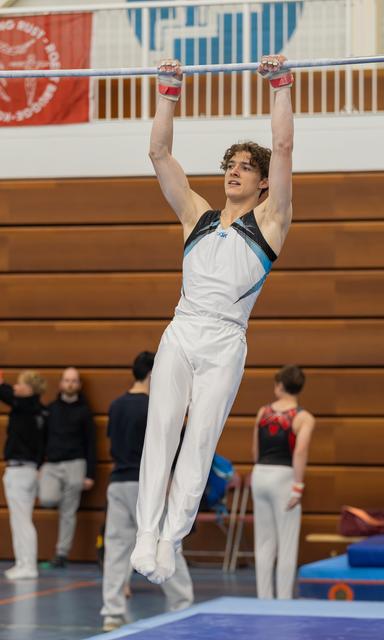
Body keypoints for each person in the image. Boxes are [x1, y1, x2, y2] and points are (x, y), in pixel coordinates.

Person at [131, 53, 294, 585]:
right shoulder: (195, 216)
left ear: (264, 184)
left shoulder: (271, 222)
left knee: (199, 440)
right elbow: (158, 151)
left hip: (225, 340)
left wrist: (280, 87)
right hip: (181, 330)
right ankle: (146, 536)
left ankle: (172, 537)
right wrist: (168, 91)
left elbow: (286, 147)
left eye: (246, 167)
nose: (233, 171)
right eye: (231, 164)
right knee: (160, 432)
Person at [101, 352, 194, 632]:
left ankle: (112, 612)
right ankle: (183, 604)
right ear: (153, 375)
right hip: (147, 487)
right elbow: (172, 450)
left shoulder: (116, 406)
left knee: (116, 549)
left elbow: (112, 446)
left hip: (117, 483)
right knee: (167, 543)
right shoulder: (157, 407)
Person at [251, 365, 315, 599]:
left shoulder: (262, 412)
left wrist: (260, 470)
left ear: (279, 385)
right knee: (286, 543)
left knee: (264, 542)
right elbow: (300, 452)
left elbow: (255, 450)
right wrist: (298, 487)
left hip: (260, 474)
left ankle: (263, 599)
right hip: (284, 477)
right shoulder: (303, 418)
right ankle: (284, 600)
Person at [38, 367, 96, 567]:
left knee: (68, 512)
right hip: (52, 464)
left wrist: (90, 474)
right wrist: (40, 466)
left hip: (75, 464)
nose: (70, 384)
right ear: (61, 383)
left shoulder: (84, 411)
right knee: (47, 499)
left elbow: (91, 443)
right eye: (67, 380)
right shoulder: (51, 409)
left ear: (79, 385)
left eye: (74, 381)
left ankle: (61, 553)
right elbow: (42, 439)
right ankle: (58, 496)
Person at [0, 369, 48, 579]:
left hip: (21, 470)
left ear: (29, 389)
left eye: (20, 384)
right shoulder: (35, 409)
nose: (16, 388)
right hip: (22, 469)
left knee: (22, 520)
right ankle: (22, 562)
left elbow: (7, 394)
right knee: (19, 520)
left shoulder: (25, 407)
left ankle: (28, 565)